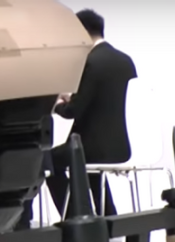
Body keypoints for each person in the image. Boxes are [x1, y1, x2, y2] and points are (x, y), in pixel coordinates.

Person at [45, 8, 138, 218]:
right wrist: (74, 99)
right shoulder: (126, 61)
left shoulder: (91, 62)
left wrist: (57, 104)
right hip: (123, 147)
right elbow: (106, 102)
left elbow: (73, 111)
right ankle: (108, 215)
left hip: (94, 149)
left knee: (48, 160)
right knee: (88, 164)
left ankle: (75, 216)